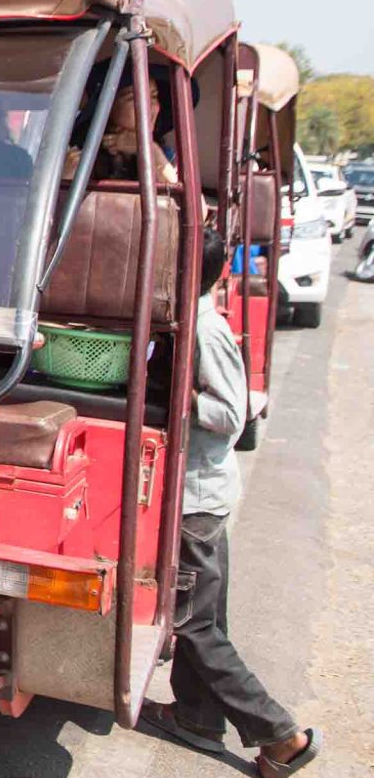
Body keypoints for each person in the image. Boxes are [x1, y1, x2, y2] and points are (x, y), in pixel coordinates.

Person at [141, 226, 320, 776]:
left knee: (192, 625)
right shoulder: (191, 322)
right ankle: (196, 716)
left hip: (197, 497)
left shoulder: (204, 331)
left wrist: (179, 393)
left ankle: (280, 736)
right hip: (205, 493)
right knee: (207, 616)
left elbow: (230, 413)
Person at [65, 62, 180, 184]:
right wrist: (66, 174)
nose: (149, 106)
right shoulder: (80, 155)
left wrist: (148, 148)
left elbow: (180, 197)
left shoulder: (163, 152)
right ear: (108, 107)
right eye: (134, 97)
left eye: (154, 96)